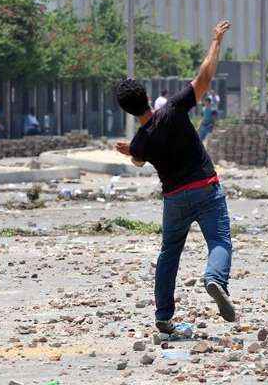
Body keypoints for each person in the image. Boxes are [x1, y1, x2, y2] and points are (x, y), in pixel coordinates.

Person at [114, 20, 235, 334]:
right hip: (206, 189)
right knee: (219, 241)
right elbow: (204, 77)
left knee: (169, 254)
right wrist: (216, 41)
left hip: (174, 199)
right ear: (147, 95)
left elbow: (140, 160)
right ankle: (214, 279)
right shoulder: (172, 109)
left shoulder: (140, 141)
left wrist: (129, 150)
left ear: (127, 110)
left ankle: (164, 317)